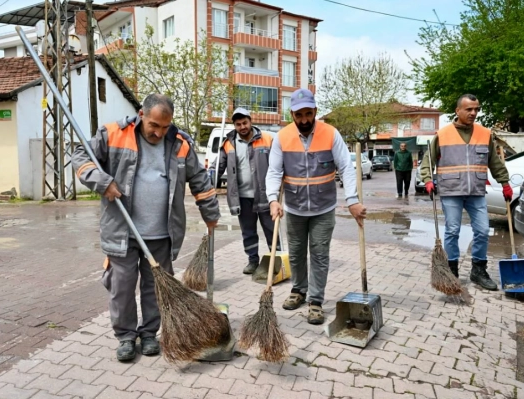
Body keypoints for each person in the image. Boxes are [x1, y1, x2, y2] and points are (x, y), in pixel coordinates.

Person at [71, 94, 220, 362]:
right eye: (154, 125)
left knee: (155, 288)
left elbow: (199, 178)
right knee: (123, 287)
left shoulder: (180, 143)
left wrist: (210, 212)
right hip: (123, 230)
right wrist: (102, 181)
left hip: (162, 232)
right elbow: (80, 157)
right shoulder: (113, 133)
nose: (158, 132)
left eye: (164, 127)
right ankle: (126, 337)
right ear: (142, 115)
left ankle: (150, 333)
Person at [266, 88, 367, 325]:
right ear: (291, 114)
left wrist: (352, 200)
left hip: (323, 208)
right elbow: (274, 171)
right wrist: (273, 200)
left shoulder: (331, 134)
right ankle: (298, 291)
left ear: (315, 111)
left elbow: (346, 168)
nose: (303, 120)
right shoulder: (282, 137)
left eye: (308, 114)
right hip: (294, 208)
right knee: (298, 253)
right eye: (298, 115)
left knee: (320, 254)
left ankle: (315, 300)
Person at [420, 94, 511, 291]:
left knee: (483, 230)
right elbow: (428, 161)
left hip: (476, 191)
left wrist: (504, 182)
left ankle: (478, 270)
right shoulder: (443, 134)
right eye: (469, 109)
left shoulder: (484, 134)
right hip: (451, 190)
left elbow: (494, 162)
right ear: (458, 111)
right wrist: (427, 180)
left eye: (476, 109)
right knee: (452, 230)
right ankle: (451, 270)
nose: (473, 113)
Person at [211, 107, 280, 274]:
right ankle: (252, 260)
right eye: (238, 124)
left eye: (244, 122)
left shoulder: (268, 139)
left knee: (272, 230)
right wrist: (207, 183)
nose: (242, 127)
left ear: (251, 121)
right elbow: (217, 166)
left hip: (265, 195)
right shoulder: (228, 144)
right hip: (242, 197)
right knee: (248, 232)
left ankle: (276, 262)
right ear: (234, 125)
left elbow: (278, 165)